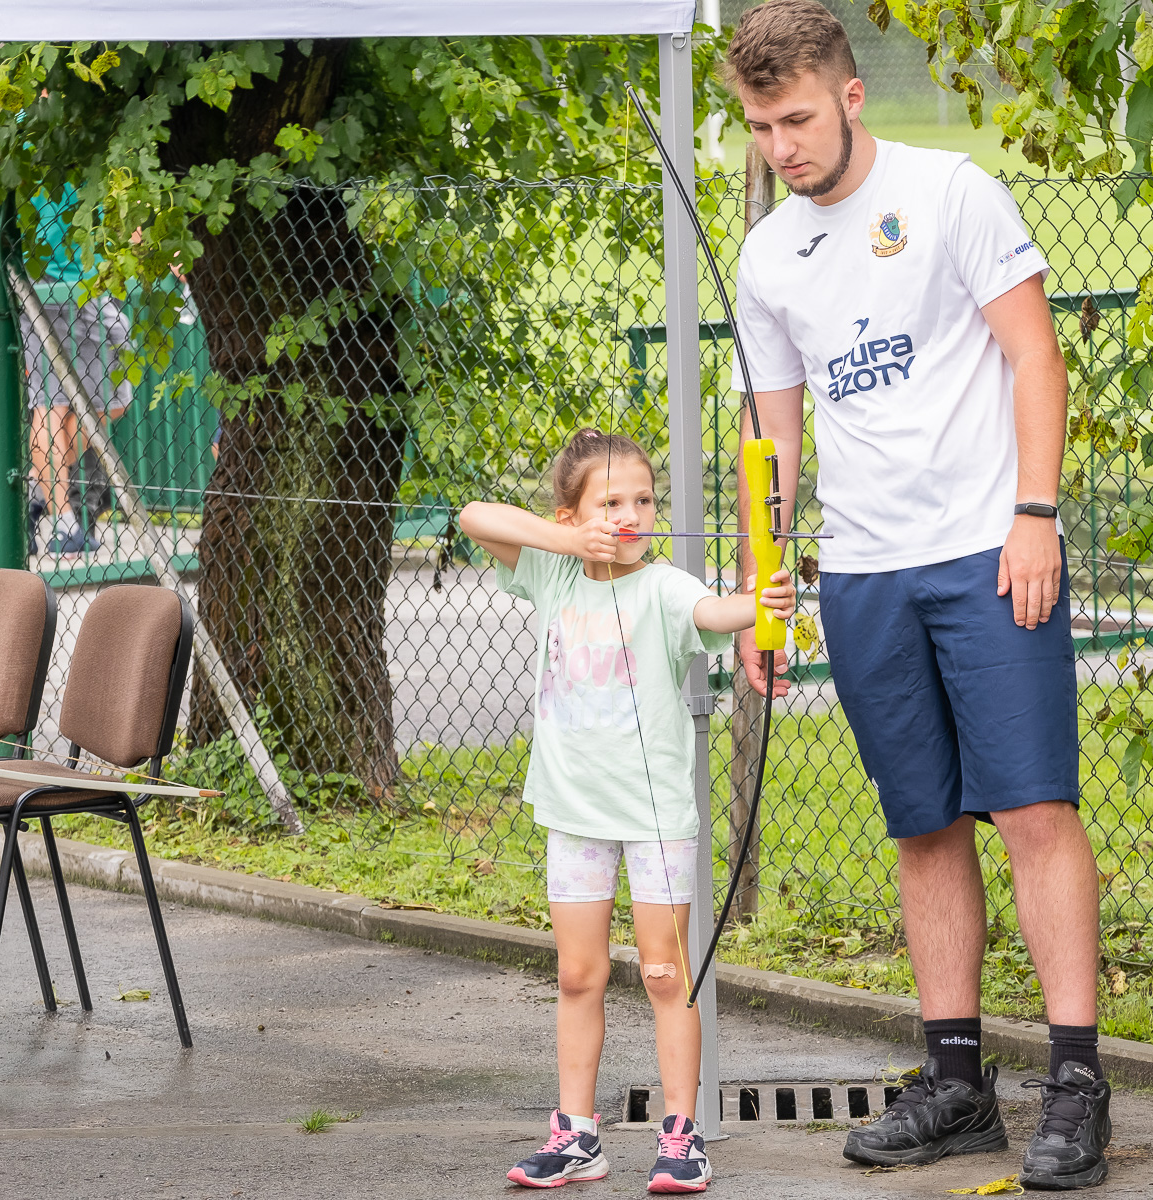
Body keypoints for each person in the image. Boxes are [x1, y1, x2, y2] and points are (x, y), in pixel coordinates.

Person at [723, 2, 1108, 1189]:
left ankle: (1077, 1086)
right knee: (923, 822)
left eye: (795, 118)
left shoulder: (951, 194)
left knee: (1034, 809)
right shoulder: (768, 254)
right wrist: (768, 590)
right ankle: (956, 1085)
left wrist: (1034, 514)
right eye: (758, 127)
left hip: (991, 554)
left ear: (849, 96)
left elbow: (1034, 354)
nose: (781, 147)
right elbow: (772, 433)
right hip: (866, 573)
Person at [461, 429, 796, 1194]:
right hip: (574, 812)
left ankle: (682, 1135)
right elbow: (475, 516)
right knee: (578, 974)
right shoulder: (552, 576)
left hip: (655, 817)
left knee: (663, 971)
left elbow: (718, 611)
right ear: (572, 512)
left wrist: (764, 601)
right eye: (611, 502)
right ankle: (576, 1136)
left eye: (643, 500)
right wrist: (566, 538)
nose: (631, 514)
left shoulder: (664, 586)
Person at [21, 185, 131, 557]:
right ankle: (66, 523)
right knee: (51, 404)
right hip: (48, 279)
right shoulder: (24, 133)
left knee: (107, 404)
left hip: (89, 280)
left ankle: (38, 493)